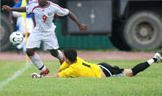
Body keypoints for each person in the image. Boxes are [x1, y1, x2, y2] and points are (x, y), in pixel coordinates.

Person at [2, 0, 88, 76]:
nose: (40, 0)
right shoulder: (34, 4)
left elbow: (68, 12)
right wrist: (11, 9)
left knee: (53, 52)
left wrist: (79, 24)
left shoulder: (54, 7)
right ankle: (44, 69)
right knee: (29, 51)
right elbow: (25, 8)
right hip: (37, 31)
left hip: (49, 32)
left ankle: (62, 61)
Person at [31, 49, 162, 78]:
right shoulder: (75, 61)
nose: (63, 58)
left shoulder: (72, 70)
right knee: (128, 73)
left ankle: (155, 59)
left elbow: (55, 78)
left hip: (105, 72)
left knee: (132, 72)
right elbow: (60, 70)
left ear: (68, 60)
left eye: (64, 57)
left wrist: (40, 77)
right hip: (100, 66)